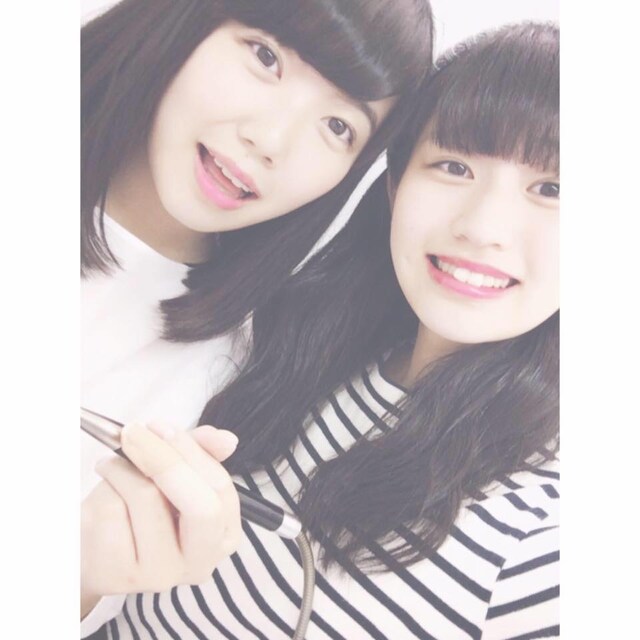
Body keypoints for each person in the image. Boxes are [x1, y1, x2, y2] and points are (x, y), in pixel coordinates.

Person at [89, 21, 559, 639]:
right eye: (453, 166)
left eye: (552, 189)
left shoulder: (544, 548)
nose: (482, 227)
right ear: (393, 185)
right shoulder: (287, 354)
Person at [80, 0, 434, 633]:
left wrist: (79, 574)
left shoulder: (223, 380)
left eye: (337, 126)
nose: (270, 141)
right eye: (265, 57)